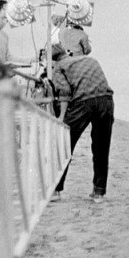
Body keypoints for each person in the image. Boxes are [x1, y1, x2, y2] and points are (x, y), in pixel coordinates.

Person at [51, 52, 114, 203]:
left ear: (53, 60)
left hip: (84, 102)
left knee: (66, 143)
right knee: (101, 147)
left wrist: (61, 117)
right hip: (106, 100)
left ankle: (55, 191)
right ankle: (98, 192)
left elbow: (64, 94)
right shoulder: (89, 59)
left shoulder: (58, 67)